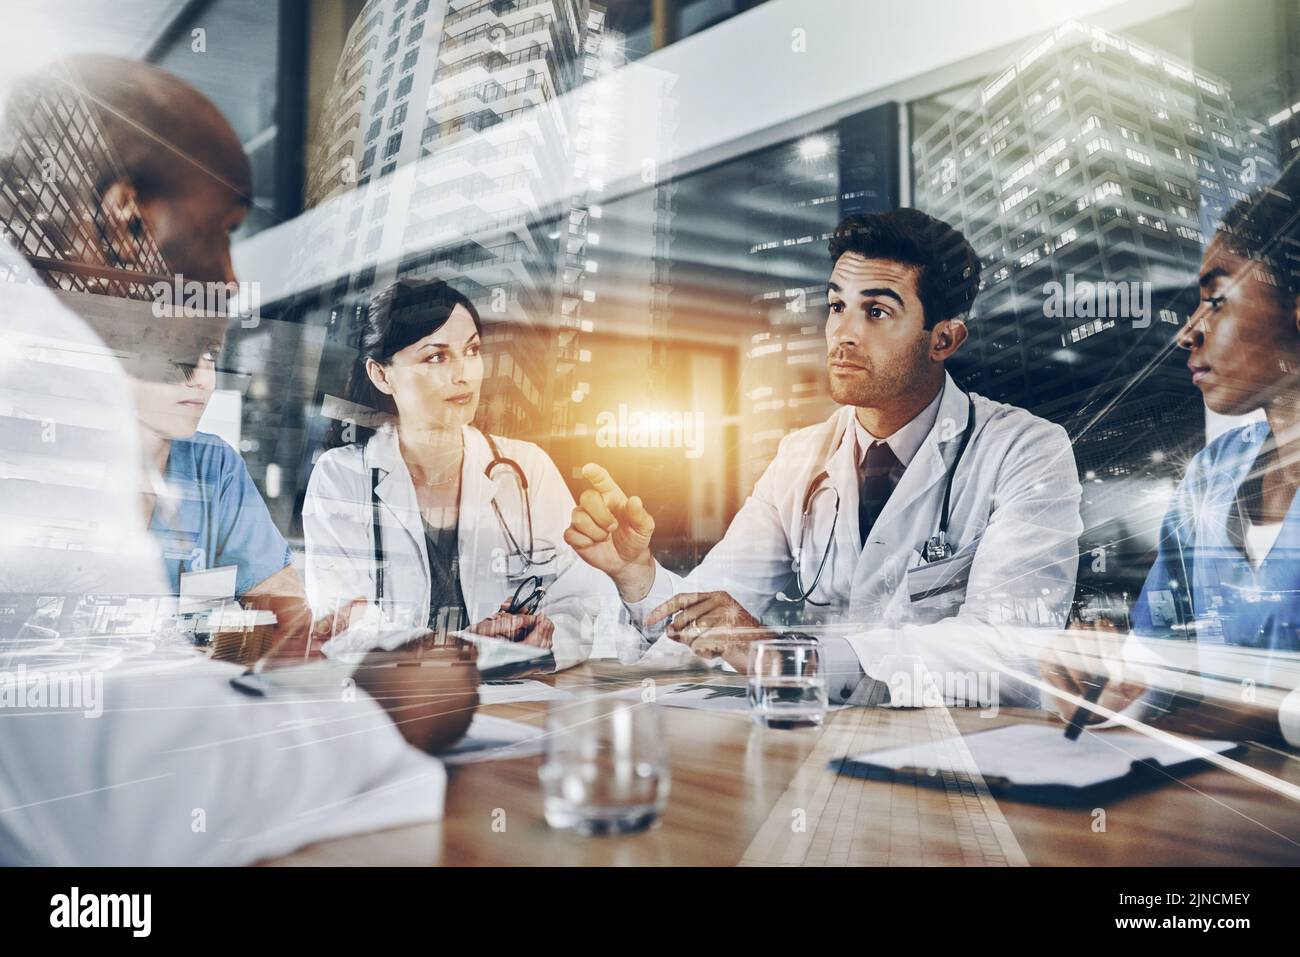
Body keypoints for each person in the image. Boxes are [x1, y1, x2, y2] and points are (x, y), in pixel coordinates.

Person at [0, 57, 481, 865]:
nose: (228, 283)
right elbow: (131, 798)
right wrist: (381, 710)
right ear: (122, 220)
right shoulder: (38, 369)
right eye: (223, 233)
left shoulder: (198, 459)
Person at [565, 209, 1085, 705]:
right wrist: (635, 573)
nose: (843, 334)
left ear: (943, 339)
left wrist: (793, 659)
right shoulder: (800, 458)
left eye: (876, 311)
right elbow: (714, 615)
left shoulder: (1025, 450)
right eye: (837, 306)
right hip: (823, 744)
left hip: (965, 762)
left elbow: (1008, 645)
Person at [2, 53, 337, 659]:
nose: (202, 381)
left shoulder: (210, 469)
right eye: (217, 232)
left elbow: (290, 630)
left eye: (209, 357)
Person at [1043, 166, 1300, 748]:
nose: (1188, 333)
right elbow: (1160, 655)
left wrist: (1249, 716)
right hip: (1203, 814)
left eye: (1216, 300)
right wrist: (1108, 676)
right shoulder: (1214, 473)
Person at [303, 277, 632, 670]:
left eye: (472, 350)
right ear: (381, 375)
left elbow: (581, 601)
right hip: (392, 711)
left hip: (518, 702)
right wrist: (460, 651)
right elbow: (343, 625)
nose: (464, 374)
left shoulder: (528, 471)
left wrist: (540, 644)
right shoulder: (341, 478)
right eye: (437, 358)